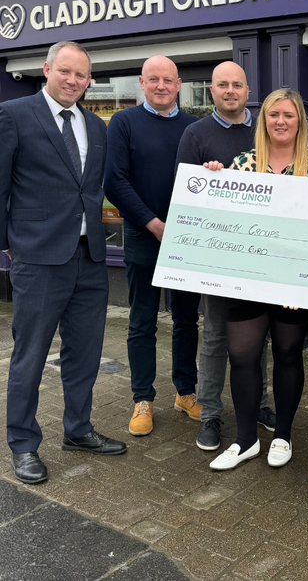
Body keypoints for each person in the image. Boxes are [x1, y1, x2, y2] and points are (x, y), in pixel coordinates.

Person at [1, 41, 127, 485]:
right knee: (31, 355)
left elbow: (89, 188)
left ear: (90, 80)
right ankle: (23, 443)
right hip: (38, 259)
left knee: (85, 352)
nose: (73, 81)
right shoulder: (14, 115)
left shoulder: (96, 124)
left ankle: (78, 430)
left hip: (90, 258)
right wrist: (9, 247)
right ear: (46, 69)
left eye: (82, 75)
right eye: (66, 72)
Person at [206, 88, 308, 470]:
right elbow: (223, 221)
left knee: (287, 354)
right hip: (248, 278)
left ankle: (283, 435)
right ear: (264, 120)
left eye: (288, 114)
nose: (281, 121)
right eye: (274, 115)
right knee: (242, 355)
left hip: (294, 284)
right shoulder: (241, 163)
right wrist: (211, 183)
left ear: (300, 120)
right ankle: (245, 440)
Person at [175, 61, 276, 452]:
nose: (230, 91)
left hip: (264, 252)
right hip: (217, 255)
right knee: (215, 337)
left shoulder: (266, 128)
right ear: (211, 91)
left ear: (247, 91)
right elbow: (185, 194)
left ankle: (261, 404)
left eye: (237, 85)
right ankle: (212, 413)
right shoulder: (195, 134)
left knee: (259, 337)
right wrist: (208, 180)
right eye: (222, 85)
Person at [104, 56, 201, 437]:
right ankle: (142, 398)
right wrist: (153, 222)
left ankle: (186, 391)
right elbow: (114, 181)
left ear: (179, 84)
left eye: (168, 80)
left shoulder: (195, 127)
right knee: (142, 320)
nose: (161, 86)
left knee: (186, 319)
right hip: (145, 237)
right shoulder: (124, 123)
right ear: (141, 84)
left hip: (187, 240)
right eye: (153, 79)